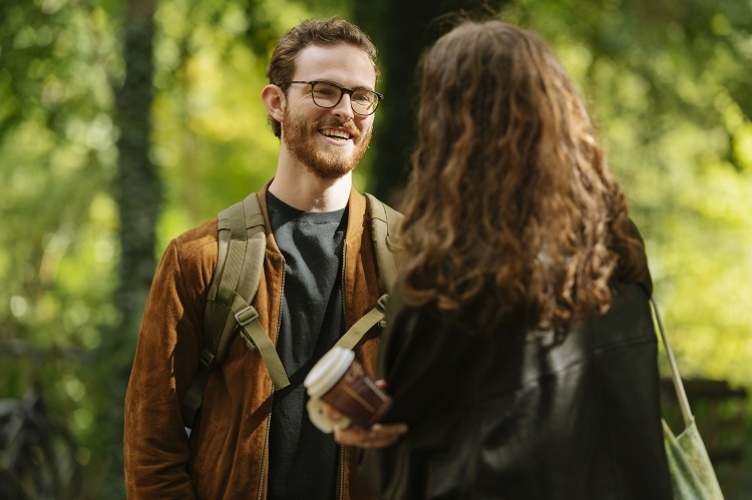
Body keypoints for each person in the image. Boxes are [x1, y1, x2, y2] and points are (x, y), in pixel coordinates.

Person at [344, 19, 674, 499]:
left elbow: (398, 440)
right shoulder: (616, 241)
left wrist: (361, 431)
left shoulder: (448, 268)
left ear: (449, 125)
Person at [123, 17, 406, 499]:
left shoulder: (413, 257)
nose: (346, 111)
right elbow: (151, 446)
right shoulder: (199, 258)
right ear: (276, 103)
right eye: (324, 91)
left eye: (361, 96)